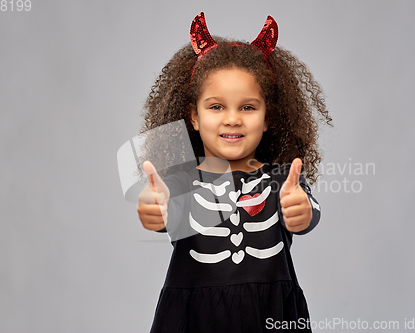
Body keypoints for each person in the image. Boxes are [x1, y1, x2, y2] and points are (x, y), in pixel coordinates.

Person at [137, 12, 332, 332]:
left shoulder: (283, 181)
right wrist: (153, 208)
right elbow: (162, 210)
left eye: (248, 107)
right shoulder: (181, 182)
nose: (232, 119)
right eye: (216, 106)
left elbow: (308, 211)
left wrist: (302, 211)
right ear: (194, 117)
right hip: (193, 320)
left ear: (268, 117)